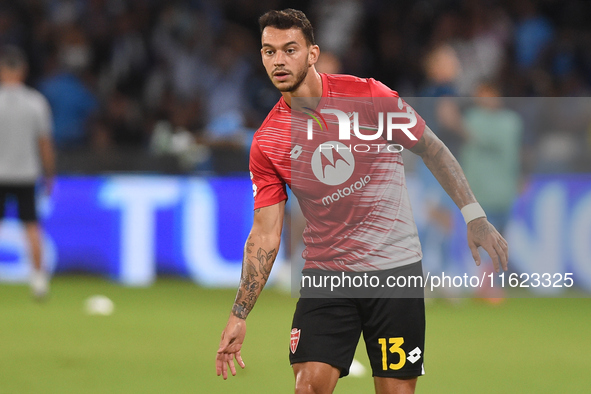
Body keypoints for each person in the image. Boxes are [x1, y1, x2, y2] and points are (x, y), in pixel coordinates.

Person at [216, 9, 508, 394]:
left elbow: (433, 150)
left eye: (290, 49)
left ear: (313, 53)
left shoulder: (369, 95)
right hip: (327, 277)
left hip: (395, 273)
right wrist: (239, 314)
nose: (279, 60)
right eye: (269, 51)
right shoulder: (269, 141)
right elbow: (265, 234)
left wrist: (474, 216)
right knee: (308, 388)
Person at [0, 46, 56, 299]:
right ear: (22, 71)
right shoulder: (36, 102)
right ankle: (39, 282)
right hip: (25, 173)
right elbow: (45, 143)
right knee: (31, 227)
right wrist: (50, 174)